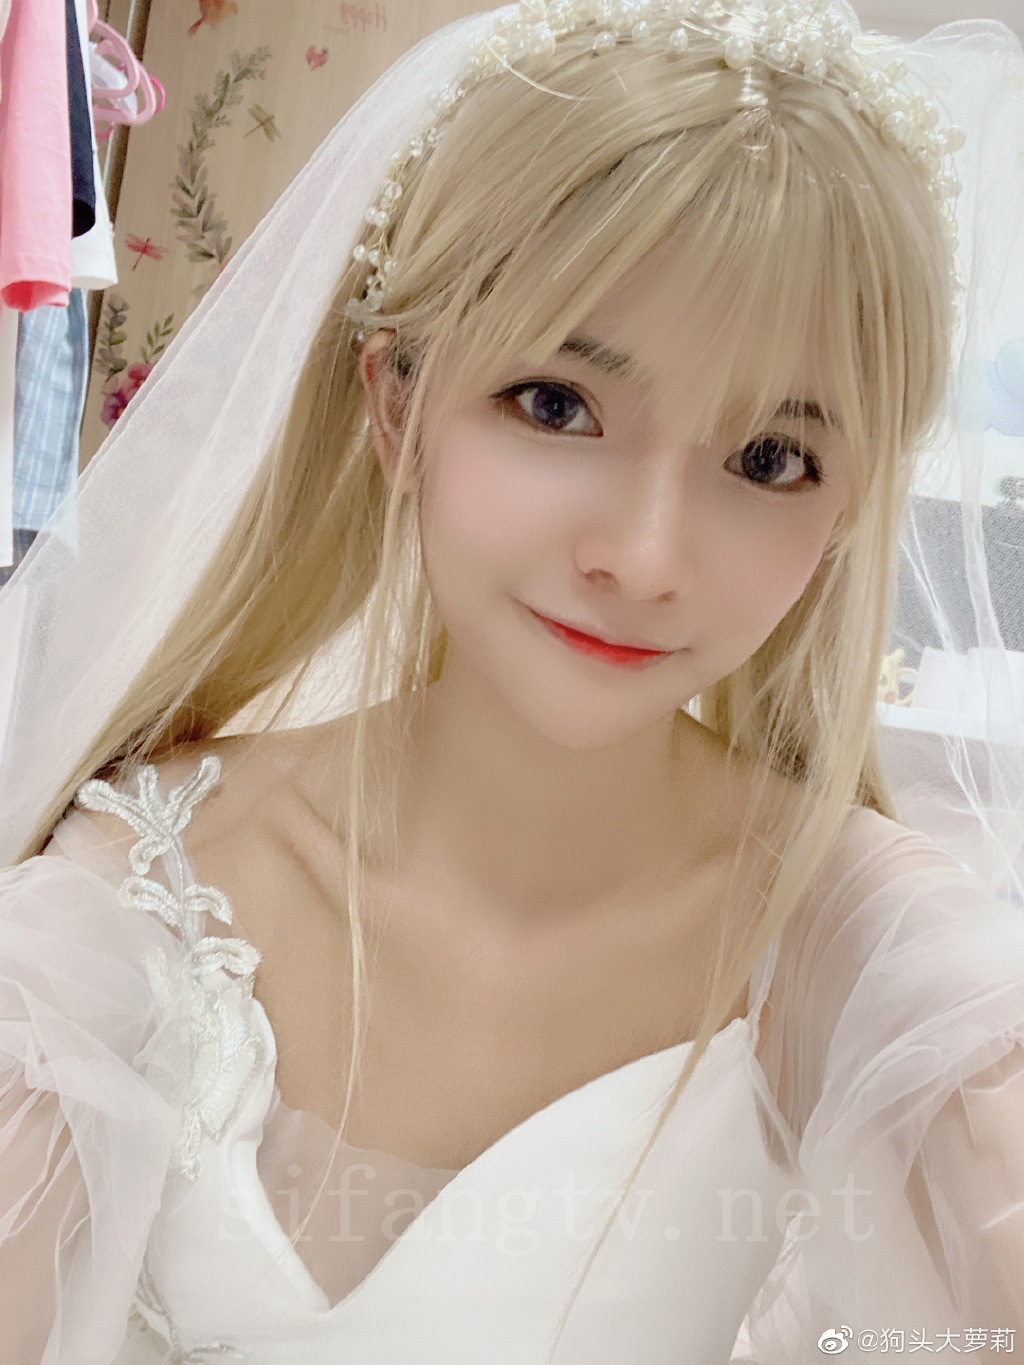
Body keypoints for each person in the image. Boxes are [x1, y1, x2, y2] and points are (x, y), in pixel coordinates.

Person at [0, 0, 1022, 1361]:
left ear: (846, 507)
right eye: (557, 405)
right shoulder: (132, 892)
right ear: (395, 406)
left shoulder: (875, 955)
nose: (644, 558)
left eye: (770, 458)